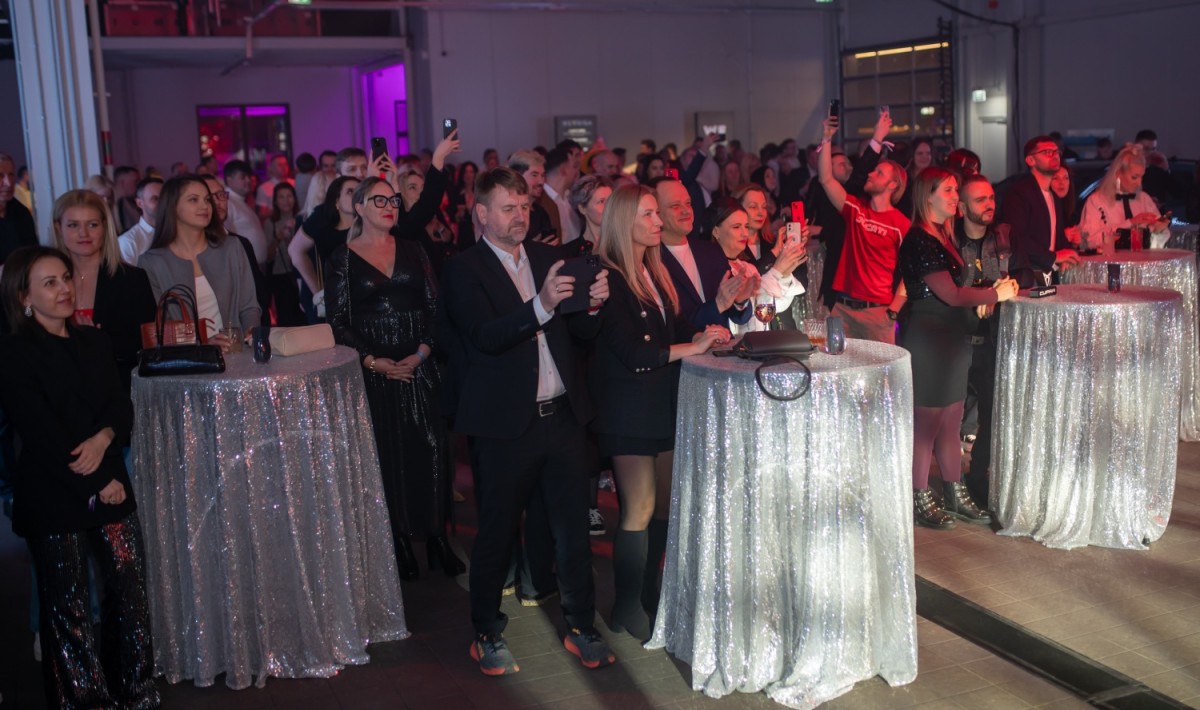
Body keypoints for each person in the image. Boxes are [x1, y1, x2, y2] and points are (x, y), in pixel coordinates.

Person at [441, 167, 614, 675]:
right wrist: (542, 304)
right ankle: (486, 632)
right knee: (496, 533)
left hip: (561, 417)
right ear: (481, 213)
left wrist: (593, 307)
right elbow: (486, 336)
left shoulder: (545, 257)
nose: (519, 216)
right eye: (507, 208)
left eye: (523, 206)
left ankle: (581, 626)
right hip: (503, 426)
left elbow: (579, 334)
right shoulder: (464, 269)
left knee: (573, 532)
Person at [0, 246, 159, 710]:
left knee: (130, 588)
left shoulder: (94, 341)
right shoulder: (13, 352)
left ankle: (134, 690)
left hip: (108, 474)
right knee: (68, 605)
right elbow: (40, 430)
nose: (64, 288)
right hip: (55, 488)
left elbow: (119, 407)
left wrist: (105, 439)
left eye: (66, 278)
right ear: (24, 297)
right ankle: (84, 701)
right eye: (49, 282)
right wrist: (97, 481)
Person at [589, 184, 728, 641]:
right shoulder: (607, 277)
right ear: (624, 221)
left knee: (664, 506)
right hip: (627, 407)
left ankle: (650, 594)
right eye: (649, 214)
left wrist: (710, 331)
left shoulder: (653, 270)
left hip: (661, 403)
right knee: (640, 507)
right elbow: (633, 352)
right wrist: (695, 345)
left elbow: (677, 328)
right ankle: (627, 605)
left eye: (656, 213)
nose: (659, 222)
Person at [325, 177, 463, 582]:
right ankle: (399, 539)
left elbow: (437, 307)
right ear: (359, 207)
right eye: (379, 200)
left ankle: (437, 537)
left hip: (419, 363)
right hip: (374, 370)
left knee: (433, 449)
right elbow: (337, 321)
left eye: (394, 200)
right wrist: (373, 362)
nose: (389, 206)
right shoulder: (342, 257)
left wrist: (420, 354)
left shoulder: (415, 249)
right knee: (388, 454)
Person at [897, 168, 1017, 529]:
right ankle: (919, 497)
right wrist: (994, 294)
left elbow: (956, 292)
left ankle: (954, 493)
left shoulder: (941, 235)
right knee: (926, 426)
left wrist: (983, 297)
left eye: (955, 190)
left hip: (950, 338)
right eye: (948, 191)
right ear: (927, 196)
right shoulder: (919, 239)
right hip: (929, 339)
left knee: (951, 423)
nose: (955, 197)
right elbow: (949, 294)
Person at [51, 190, 157, 393]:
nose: (84, 233)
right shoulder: (44, 280)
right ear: (58, 228)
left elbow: (147, 346)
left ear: (105, 227)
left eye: (92, 224)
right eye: (73, 225)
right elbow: (25, 319)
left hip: (118, 390)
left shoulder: (132, 279)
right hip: (58, 392)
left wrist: (97, 342)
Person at [138, 175, 261, 350]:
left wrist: (251, 332)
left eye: (207, 199)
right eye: (193, 200)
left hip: (236, 354)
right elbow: (160, 328)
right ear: (172, 207)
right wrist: (203, 346)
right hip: (188, 362)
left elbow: (249, 306)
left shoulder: (232, 247)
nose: (205, 206)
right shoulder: (152, 262)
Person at [817, 114, 910, 344]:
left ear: (893, 184)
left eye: (879, 173)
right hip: (842, 308)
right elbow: (826, 179)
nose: (870, 173)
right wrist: (826, 139)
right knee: (837, 365)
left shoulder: (901, 224)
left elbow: (912, 272)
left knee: (880, 368)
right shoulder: (855, 208)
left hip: (877, 313)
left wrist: (894, 310)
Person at [955, 175, 1011, 507]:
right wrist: (987, 293)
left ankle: (977, 483)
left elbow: (1026, 274)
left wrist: (1006, 285)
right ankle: (951, 483)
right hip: (955, 341)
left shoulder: (1003, 238)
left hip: (991, 342)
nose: (989, 204)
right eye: (980, 200)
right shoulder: (949, 241)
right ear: (961, 208)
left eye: (991, 198)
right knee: (949, 418)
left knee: (990, 416)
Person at [653, 178, 756, 330]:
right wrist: (718, 304)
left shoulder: (711, 252)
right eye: (675, 206)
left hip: (722, 344)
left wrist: (739, 300)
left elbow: (738, 317)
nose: (686, 210)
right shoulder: (652, 261)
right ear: (656, 213)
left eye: (688, 203)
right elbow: (673, 326)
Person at [997, 136, 1080, 287]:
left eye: (1056, 152)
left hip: (1047, 275)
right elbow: (1017, 237)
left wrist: (1066, 255)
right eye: (1047, 152)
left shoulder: (1053, 196)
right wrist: (1054, 257)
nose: (1054, 156)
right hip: (1026, 277)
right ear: (1031, 160)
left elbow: (1057, 238)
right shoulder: (1019, 193)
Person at [728, 188, 809, 330]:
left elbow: (801, 284)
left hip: (782, 326)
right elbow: (751, 284)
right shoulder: (732, 250)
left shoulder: (772, 242)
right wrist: (775, 255)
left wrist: (796, 250)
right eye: (753, 207)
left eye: (764, 207)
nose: (761, 212)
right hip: (751, 328)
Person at [1079, 144, 1170, 252]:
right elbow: (1087, 242)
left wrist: (1158, 231)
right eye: (1134, 177)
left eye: (1141, 177)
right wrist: (1130, 223)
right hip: (1108, 261)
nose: (1139, 183)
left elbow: (1159, 244)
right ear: (1118, 174)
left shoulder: (1144, 199)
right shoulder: (1096, 201)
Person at [261, 182, 306, 326]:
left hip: (302, 273)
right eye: (281, 197)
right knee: (286, 318)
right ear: (275, 201)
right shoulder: (270, 223)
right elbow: (267, 256)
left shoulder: (303, 219)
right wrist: (279, 237)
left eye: (289, 196)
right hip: (281, 275)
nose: (286, 201)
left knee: (304, 316)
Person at [222, 160, 271, 272]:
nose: (248, 180)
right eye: (243, 177)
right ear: (229, 180)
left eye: (248, 176)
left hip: (254, 268)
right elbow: (224, 237)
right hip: (245, 269)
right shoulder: (227, 203)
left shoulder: (239, 201)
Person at [0, 153, 38, 265]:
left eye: (11, 174)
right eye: (0, 175)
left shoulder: (22, 213)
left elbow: (33, 254)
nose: (8, 183)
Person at [118, 177, 164, 265]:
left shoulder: (178, 233)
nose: (162, 202)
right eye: (155, 199)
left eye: (165, 198)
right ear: (140, 203)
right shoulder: (128, 241)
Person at [567, 175, 612, 255]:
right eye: (601, 201)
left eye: (611, 201)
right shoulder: (570, 253)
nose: (609, 206)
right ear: (582, 208)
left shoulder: (622, 246)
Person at [896, 137, 934, 217]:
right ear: (912, 156)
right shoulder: (904, 180)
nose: (924, 157)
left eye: (928, 153)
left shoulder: (936, 179)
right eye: (920, 153)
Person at [255, 153, 293, 218]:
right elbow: (262, 212)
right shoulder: (263, 188)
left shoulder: (294, 183)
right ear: (271, 168)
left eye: (285, 164)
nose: (284, 167)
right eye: (280, 165)